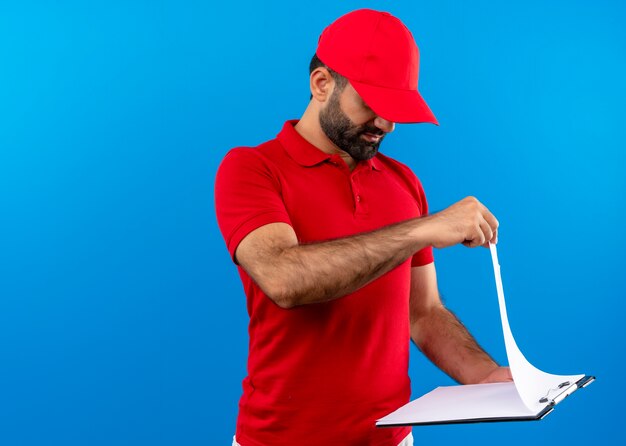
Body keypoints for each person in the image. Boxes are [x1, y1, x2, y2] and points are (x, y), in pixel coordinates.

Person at [215, 8, 512, 446]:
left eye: (396, 110)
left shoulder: (404, 182)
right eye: (373, 104)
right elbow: (283, 278)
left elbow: (423, 312)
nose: (386, 124)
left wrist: (484, 375)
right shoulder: (252, 169)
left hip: (392, 439)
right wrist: (419, 230)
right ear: (321, 84)